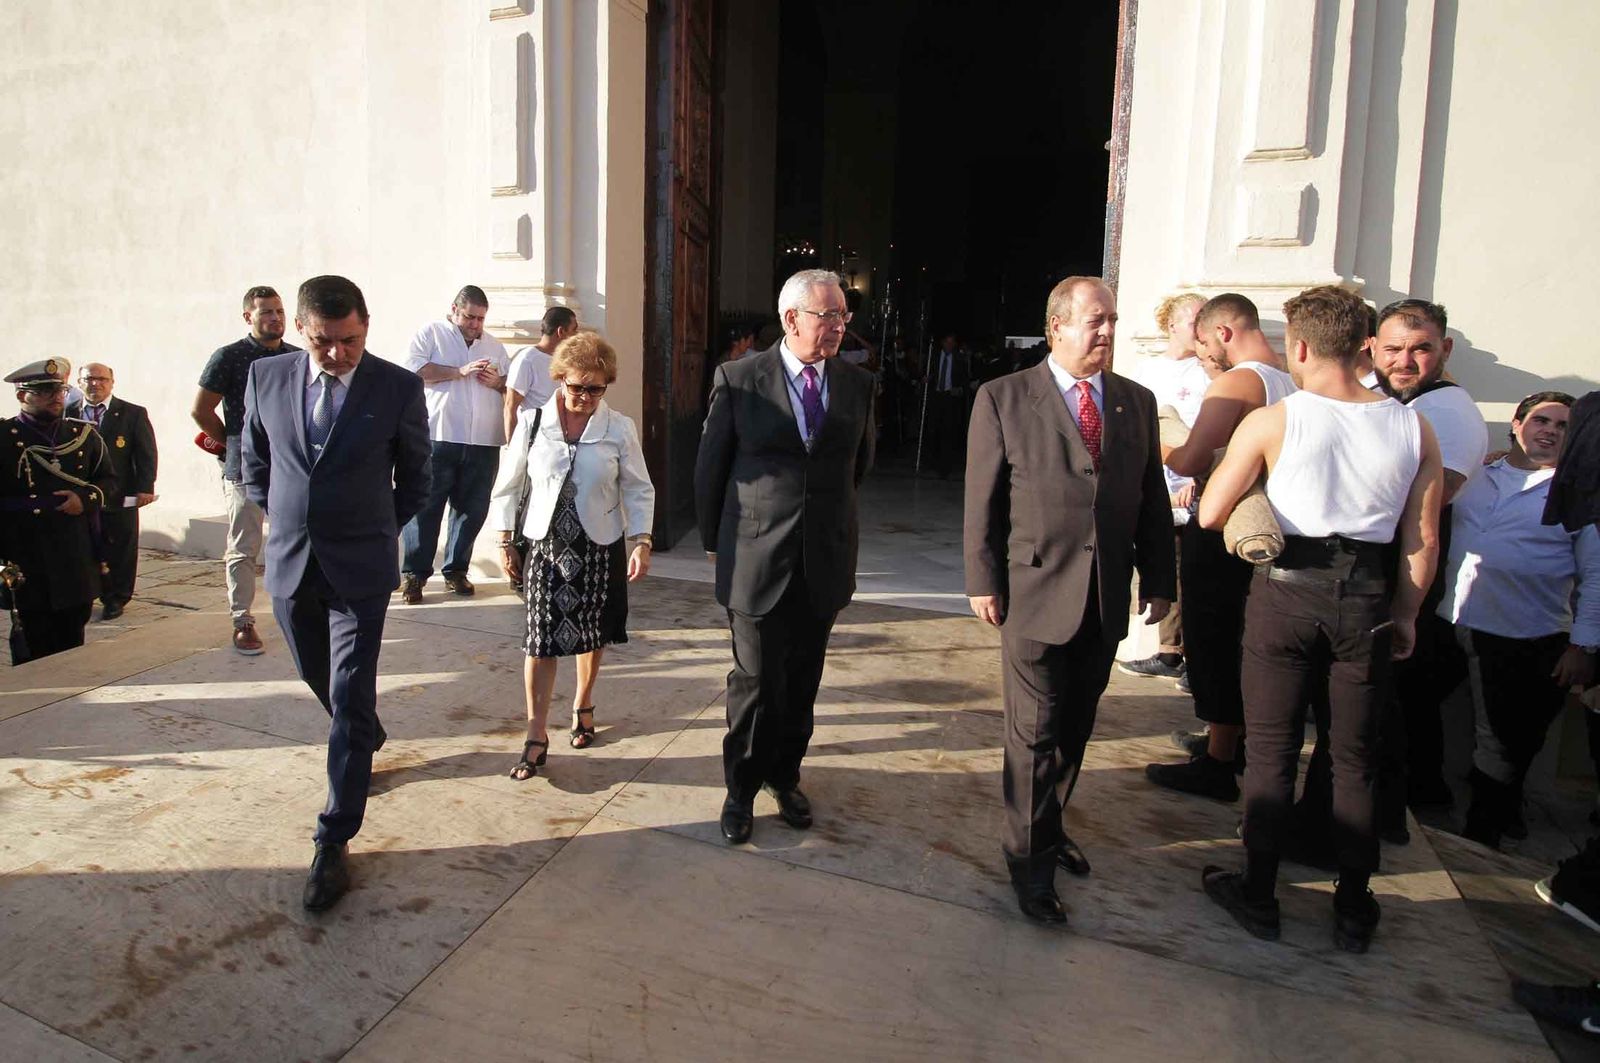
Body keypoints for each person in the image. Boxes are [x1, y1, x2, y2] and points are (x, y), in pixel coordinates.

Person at [1196, 285, 1442, 953]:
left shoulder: (1276, 420)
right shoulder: (1412, 427)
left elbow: (1211, 512)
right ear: (1366, 345)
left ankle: (1259, 889)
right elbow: (1423, 537)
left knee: (1272, 751)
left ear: (1299, 346)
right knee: (1353, 757)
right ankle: (1355, 904)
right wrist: (1409, 613)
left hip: (1284, 593)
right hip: (1365, 596)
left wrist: (1251, 486)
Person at [965, 276, 1175, 923]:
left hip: (1105, 596)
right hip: (1032, 593)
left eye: (1113, 319)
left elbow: (1153, 504)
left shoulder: (1135, 403)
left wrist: (1162, 580)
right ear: (1056, 326)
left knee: (1075, 730)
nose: (1108, 331)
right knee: (1032, 734)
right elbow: (983, 502)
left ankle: (1048, 830)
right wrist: (981, 578)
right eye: (1095, 321)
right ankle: (1029, 866)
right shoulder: (1003, 398)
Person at [241, 275, 430, 911]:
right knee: (316, 674)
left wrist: (375, 526)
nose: (339, 354)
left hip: (361, 566)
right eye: (325, 342)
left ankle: (333, 836)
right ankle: (365, 732)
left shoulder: (397, 386)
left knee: (350, 689)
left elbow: (416, 478)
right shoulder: (267, 379)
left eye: (350, 340)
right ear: (301, 330)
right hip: (291, 561)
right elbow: (254, 460)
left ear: (366, 327)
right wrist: (285, 517)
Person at [694, 268, 876, 846]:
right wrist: (717, 545)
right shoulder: (740, 379)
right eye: (828, 316)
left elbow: (858, 467)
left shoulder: (857, 384)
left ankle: (785, 776)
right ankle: (740, 790)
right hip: (755, 559)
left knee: (802, 681)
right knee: (755, 683)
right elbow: (711, 469)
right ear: (791, 318)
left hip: (823, 559)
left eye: (843, 317)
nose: (838, 327)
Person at [1428, 392, 1597, 848]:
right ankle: (1424, 800)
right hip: (1450, 620)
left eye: (1564, 426)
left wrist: (1582, 647)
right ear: (1517, 424)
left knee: (1501, 742)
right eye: (1542, 420)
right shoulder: (1478, 474)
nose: (1551, 431)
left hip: (1524, 634)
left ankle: (1482, 839)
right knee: (1416, 707)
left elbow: (1596, 576)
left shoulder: (1579, 498)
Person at [1146, 293, 1296, 802]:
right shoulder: (1289, 380)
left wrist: (1157, 437)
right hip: (1267, 530)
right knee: (1241, 641)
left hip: (1224, 526)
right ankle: (1228, 743)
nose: (1206, 352)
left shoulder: (1239, 382)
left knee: (1214, 639)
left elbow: (1189, 459)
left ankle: (1218, 761)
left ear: (1225, 332)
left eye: (1207, 341)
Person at [489, 332, 655, 777]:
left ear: (606, 386)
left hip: (600, 545)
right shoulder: (531, 422)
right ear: (560, 378)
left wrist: (642, 539)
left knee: (591, 632)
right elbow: (508, 484)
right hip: (545, 545)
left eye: (595, 388)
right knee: (539, 641)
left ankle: (583, 703)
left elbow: (638, 486)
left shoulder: (619, 428)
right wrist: (505, 539)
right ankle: (535, 733)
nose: (584, 396)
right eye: (576, 385)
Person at [1372, 298, 1489, 821]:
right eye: (1393, 348)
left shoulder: (1445, 410)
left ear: (1444, 350)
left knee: (1403, 699)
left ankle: (1408, 808)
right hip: (1393, 569)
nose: (1405, 360)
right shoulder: (1402, 401)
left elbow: (1430, 502)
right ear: (1372, 348)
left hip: (1417, 573)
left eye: (1420, 349)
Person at [193, 285, 301, 655]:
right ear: (248, 317)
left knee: (294, 540)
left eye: (280, 311)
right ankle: (243, 620)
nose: (275, 318)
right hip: (244, 468)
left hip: (289, 466)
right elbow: (201, 410)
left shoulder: (297, 357)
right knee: (244, 546)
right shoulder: (229, 357)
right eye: (266, 312)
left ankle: (298, 610)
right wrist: (231, 444)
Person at [400, 285, 511, 603]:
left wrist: (499, 382)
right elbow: (414, 370)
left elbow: (509, 386)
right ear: (454, 310)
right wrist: (458, 372)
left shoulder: (494, 345)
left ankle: (456, 570)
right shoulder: (431, 333)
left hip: (483, 440)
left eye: (480, 319)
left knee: (472, 509)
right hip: (439, 435)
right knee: (425, 507)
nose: (475, 324)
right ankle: (415, 575)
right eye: (470, 317)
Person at [1119, 292, 1209, 682]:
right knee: (1163, 568)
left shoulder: (1211, 372)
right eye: (1194, 321)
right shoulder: (1147, 371)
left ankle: (1197, 656)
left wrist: (1194, 477)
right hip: (1157, 485)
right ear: (1172, 325)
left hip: (1196, 484)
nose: (1201, 330)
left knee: (1197, 575)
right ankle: (1168, 650)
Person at [0, 360, 117, 661]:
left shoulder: (83, 435)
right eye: (42, 391)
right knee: (33, 639)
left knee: (72, 636)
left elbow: (108, 481)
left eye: (59, 390)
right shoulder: (4, 437)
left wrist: (85, 499)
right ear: (21, 396)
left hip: (74, 551)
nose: (54, 397)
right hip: (25, 551)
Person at [78, 363, 157, 620]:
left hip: (119, 493)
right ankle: (88, 593)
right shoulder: (68, 413)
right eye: (89, 379)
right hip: (83, 497)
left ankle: (116, 597)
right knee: (86, 548)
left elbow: (145, 453)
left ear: (112, 382)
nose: (95, 384)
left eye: (102, 379)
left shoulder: (131, 413)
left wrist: (145, 487)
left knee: (121, 548)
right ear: (80, 383)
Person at [504, 306, 577, 442]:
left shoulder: (568, 360)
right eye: (574, 330)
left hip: (564, 439)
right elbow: (510, 407)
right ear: (561, 331)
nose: (576, 336)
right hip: (536, 439)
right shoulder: (527, 360)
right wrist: (512, 449)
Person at [926, 333, 973, 478]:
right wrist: (926, 379)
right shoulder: (933, 357)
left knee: (948, 431)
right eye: (947, 342)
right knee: (933, 429)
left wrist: (959, 388)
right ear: (942, 343)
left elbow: (965, 380)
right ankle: (931, 461)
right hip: (936, 396)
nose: (949, 345)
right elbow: (927, 373)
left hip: (949, 397)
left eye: (952, 343)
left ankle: (945, 466)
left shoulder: (959, 360)